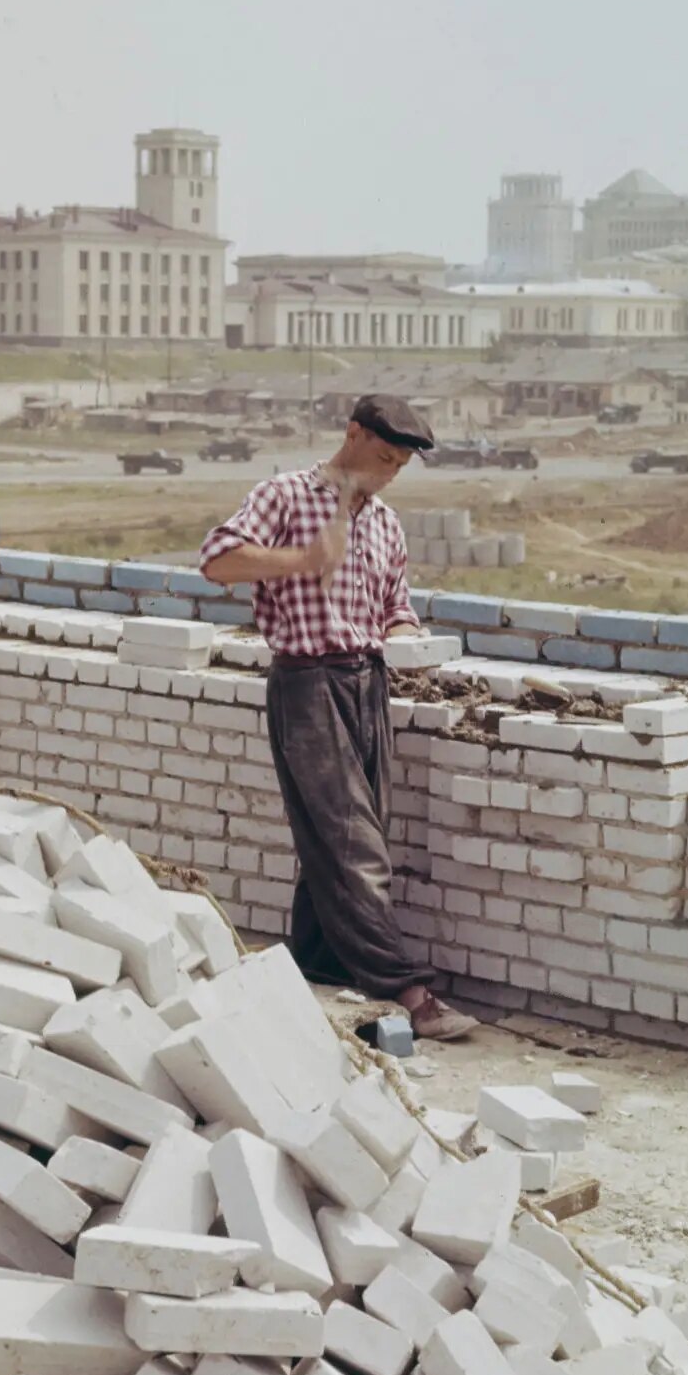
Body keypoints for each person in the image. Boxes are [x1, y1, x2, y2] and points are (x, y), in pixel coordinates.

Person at [201, 394, 477, 1040]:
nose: (387, 474)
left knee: (343, 840)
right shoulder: (287, 496)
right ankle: (409, 993)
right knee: (356, 848)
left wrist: (411, 636)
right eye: (382, 457)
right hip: (308, 684)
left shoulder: (385, 524)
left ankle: (314, 969)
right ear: (352, 434)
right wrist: (301, 561)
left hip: (368, 685)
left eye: (400, 466)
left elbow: (395, 607)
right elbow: (217, 560)